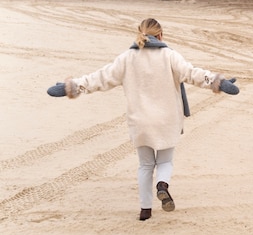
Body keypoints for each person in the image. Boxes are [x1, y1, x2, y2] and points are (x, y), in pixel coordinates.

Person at [47, 18, 239, 221]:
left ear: (139, 33)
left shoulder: (127, 58)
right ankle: (162, 185)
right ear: (161, 35)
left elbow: (100, 78)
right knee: (165, 161)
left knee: (146, 166)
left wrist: (72, 86)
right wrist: (218, 82)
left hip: (139, 122)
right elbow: (192, 74)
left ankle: (145, 210)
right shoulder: (169, 55)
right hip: (166, 121)